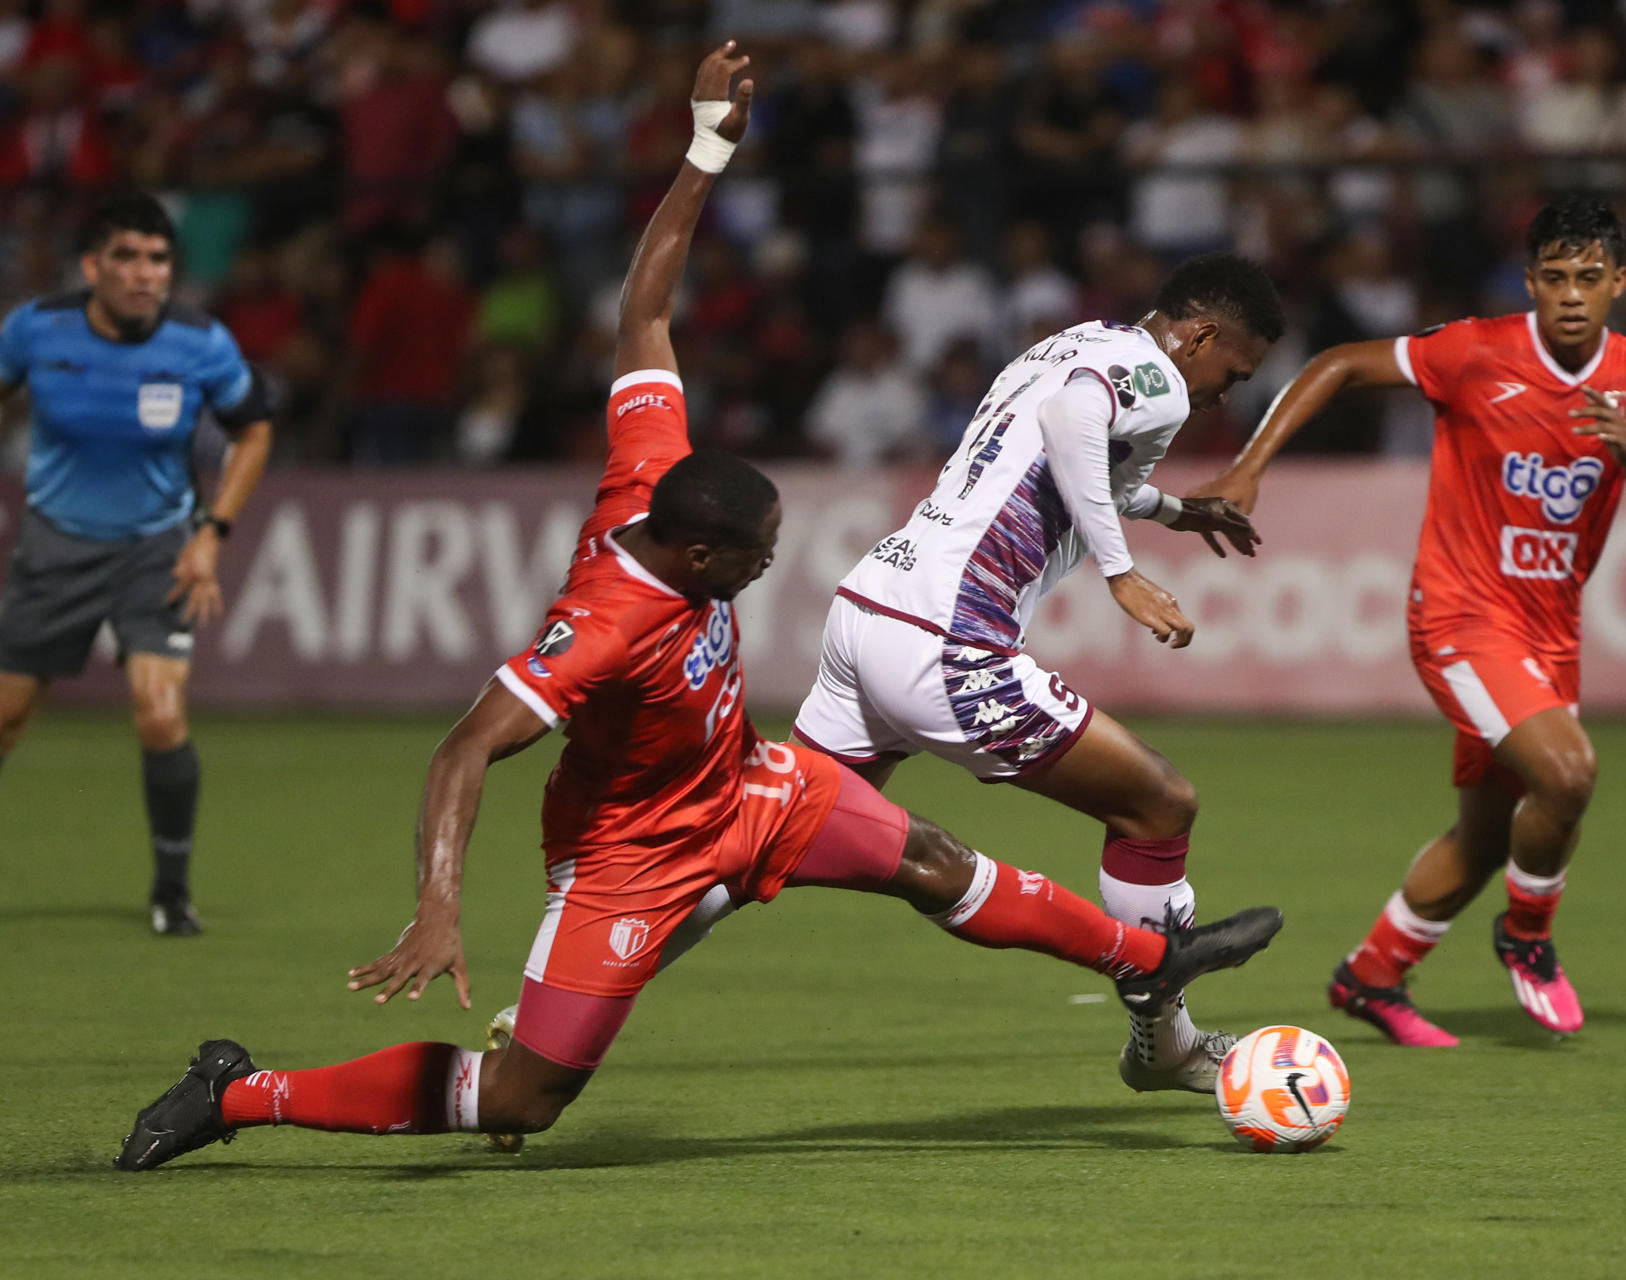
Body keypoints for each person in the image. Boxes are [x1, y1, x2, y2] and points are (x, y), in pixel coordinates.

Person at [114, 44, 1281, 1173]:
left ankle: (1150, 958)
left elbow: (643, 317)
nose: (770, 569)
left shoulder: (648, 473)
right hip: (633, 847)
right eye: (756, 558)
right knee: (524, 1093)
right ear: (702, 553)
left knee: (930, 858)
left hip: (752, 785)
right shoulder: (613, 620)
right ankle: (240, 1090)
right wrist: (435, 907)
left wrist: (705, 152)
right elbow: (470, 743)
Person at [1191, 195, 1626, 1045]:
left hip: (1549, 637)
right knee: (1568, 775)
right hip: (1459, 618)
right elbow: (1342, 364)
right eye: (1554, 278)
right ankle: (1528, 936)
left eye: (1589, 278)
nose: (1571, 294)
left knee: (1485, 839)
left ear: (1619, 282)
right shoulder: (1475, 351)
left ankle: (1372, 975)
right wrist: (1248, 469)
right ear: (1531, 282)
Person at [790, 252, 1285, 1094]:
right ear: (1199, 335)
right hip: (947, 640)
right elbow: (1071, 424)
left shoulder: (1077, 341)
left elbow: (1064, 452)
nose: (1223, 395)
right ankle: (1163, 1042)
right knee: (1159, 804)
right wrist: (1121, 570)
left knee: (763, 829)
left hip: (869, 608)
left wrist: (1174, 508)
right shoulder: (1157, 379)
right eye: (1232, 372)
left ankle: (583, 967)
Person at [0, 193, 275, 936]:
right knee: (6, 717)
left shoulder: (201, 343)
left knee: (159, 713)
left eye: (158, 258)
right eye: (127, 256)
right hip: (54, 545)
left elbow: (253, 433)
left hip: (158, 550)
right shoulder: (34, 330)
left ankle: (172, 892)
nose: (146, 273)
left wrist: (212, 532)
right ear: (93, 266)